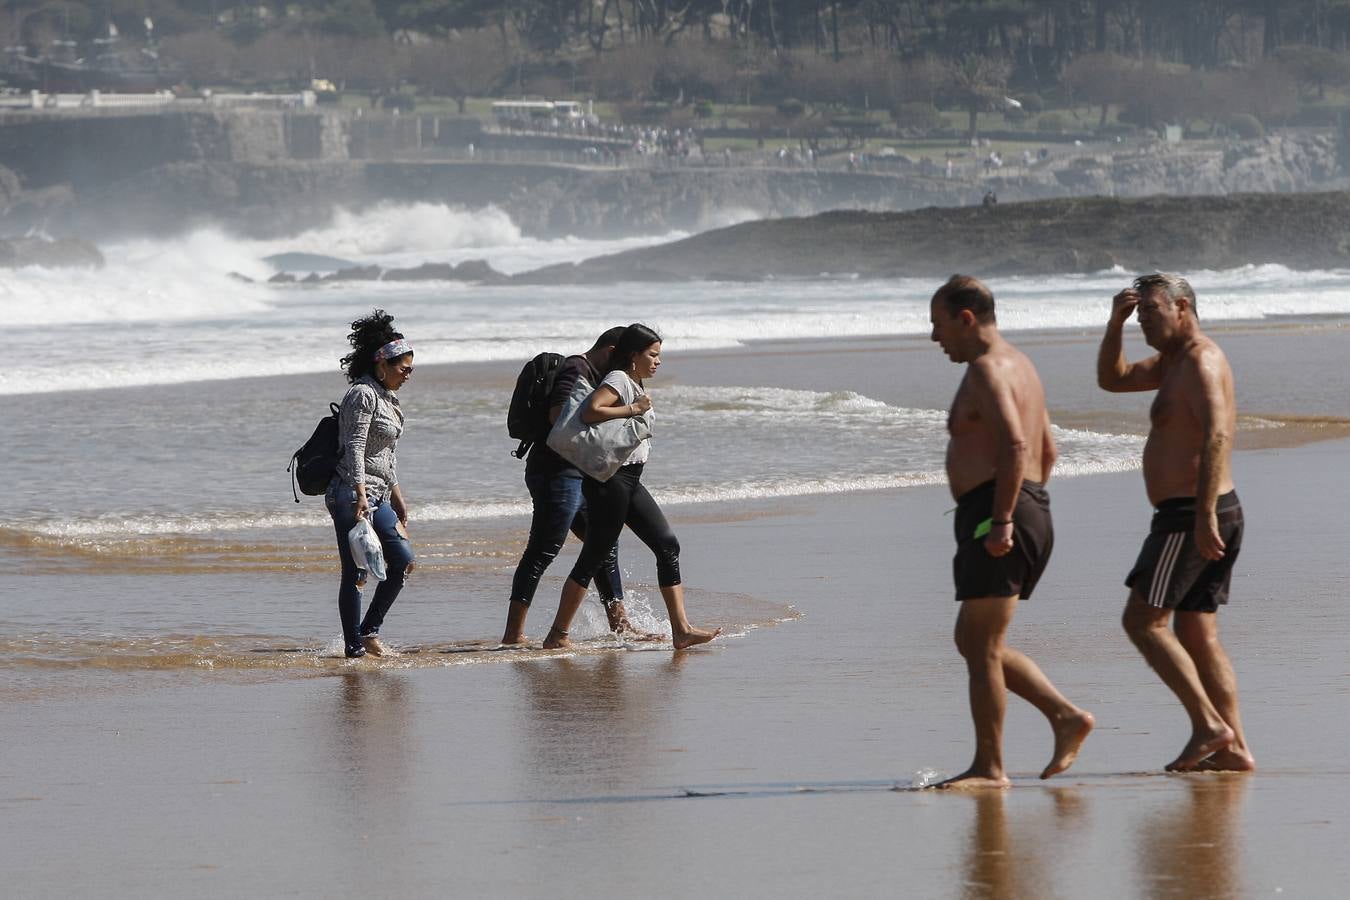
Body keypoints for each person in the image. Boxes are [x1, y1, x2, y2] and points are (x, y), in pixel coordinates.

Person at [930, 275, 1094, 789]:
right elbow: (1050, 451)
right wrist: (1026, 509)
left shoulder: (985, 369)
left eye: (938, 325)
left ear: (966, 319)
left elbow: (1018, 448)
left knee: (981, 645)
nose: (934, 338)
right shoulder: (1023, 365)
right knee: (975, 640)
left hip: (1001, 512)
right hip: (1024, 506)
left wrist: (1002, 519)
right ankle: (1064, 716)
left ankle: (990, 767)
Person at [1097, 273, 1255, 773]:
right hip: (1201, 512)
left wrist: (1204, 514)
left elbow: (1217, 436)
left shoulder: (1201, 360)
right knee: (1198, 634)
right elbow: (1113, 378)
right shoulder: (1174, 363)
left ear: (1182, 307)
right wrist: (1114, 324)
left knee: (1143, 621)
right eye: (1138, 314)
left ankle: (1209, 727)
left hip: (1192, 515)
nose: (1143, 322)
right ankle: (1234, 749)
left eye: (1150, 313)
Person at [542, 324, 720, 651]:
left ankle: (681, 630)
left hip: (631, 480)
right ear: (633, 355)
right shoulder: (619, 379)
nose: (658, 361)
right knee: (594, 556)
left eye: (659, 355)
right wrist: (633, 409)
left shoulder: (633, 381)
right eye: (652, 355)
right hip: (612, 482)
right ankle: (557, 635)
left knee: (667, 545)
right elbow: (592, 410)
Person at [502, 326, 644, 645]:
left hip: (581, 473)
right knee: (543, 548)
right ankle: (513, 634)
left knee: (604, 544)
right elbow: (557, 416)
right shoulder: (576, 368)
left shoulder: (595, 374)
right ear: (610, 352)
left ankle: (620, 625)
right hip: (555, 472)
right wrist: (619, 412)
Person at [326, 309, 416, 659]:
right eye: (403, 369)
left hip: (377, 494)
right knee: (357, 572)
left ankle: (368, 632)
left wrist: (397, 496)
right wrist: (362, 495)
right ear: (382, 364)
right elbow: (355, 447)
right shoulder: (362, 394)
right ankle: (354, 650)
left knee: (402, 561)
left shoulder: (387, 396)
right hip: (350, 492)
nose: (407, 375)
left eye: (411, 369)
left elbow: (386, 454)